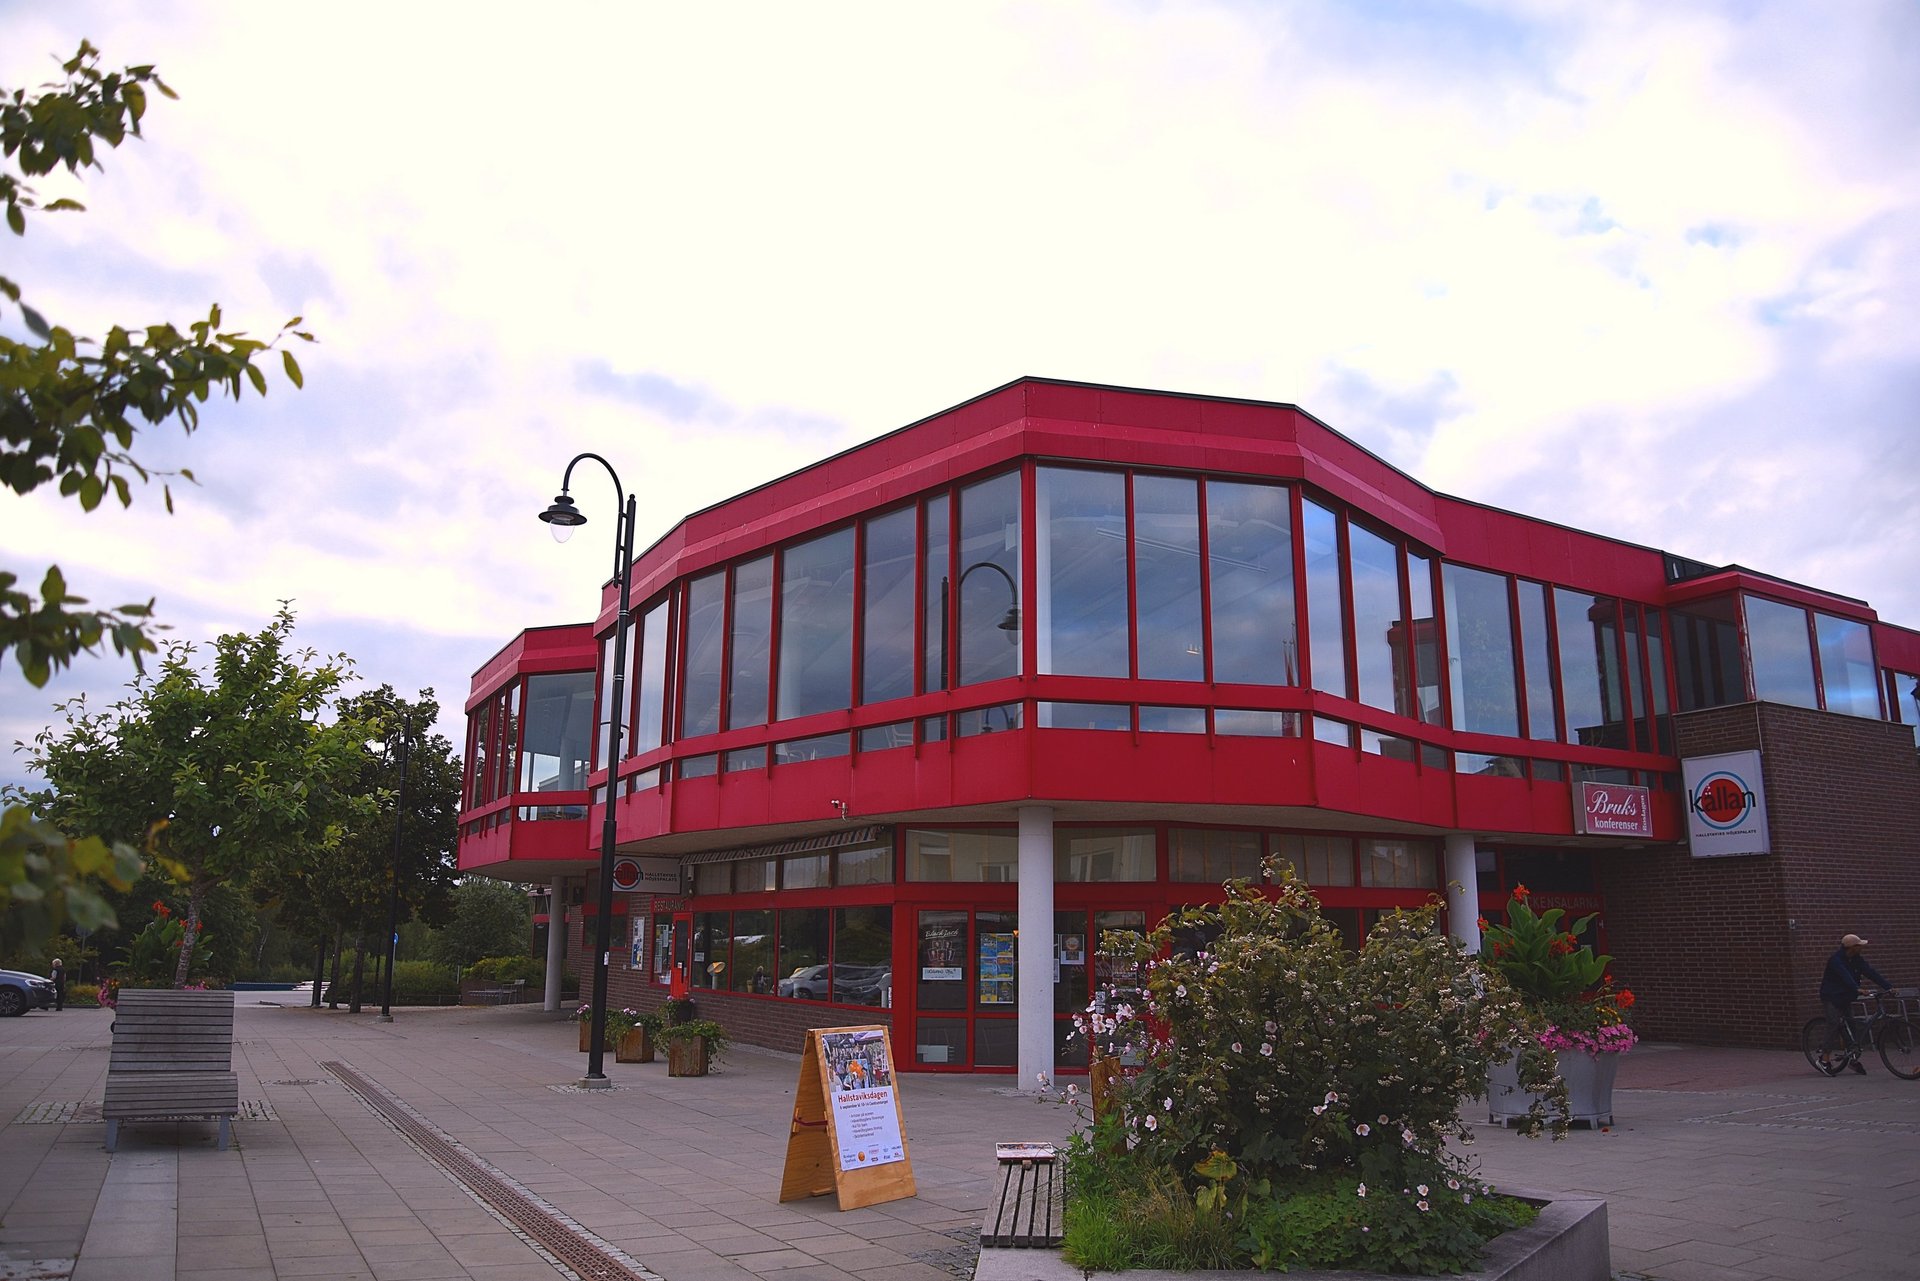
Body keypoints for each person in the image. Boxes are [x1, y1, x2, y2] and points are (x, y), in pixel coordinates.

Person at [1819, 933, 1893, 1073]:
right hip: (1832, 997)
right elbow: (1844, 976)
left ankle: (1853, 1059)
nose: (1862, 949)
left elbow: (1870, 972)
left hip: (1846, 997)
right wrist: (1857, 988)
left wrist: (1888, 986)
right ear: (1852, 947)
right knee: (1834, 1024)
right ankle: (1824, 1058)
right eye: (1859, 946)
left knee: (1853, 1027)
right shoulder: (1836, 960)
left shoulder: (1856, 959)